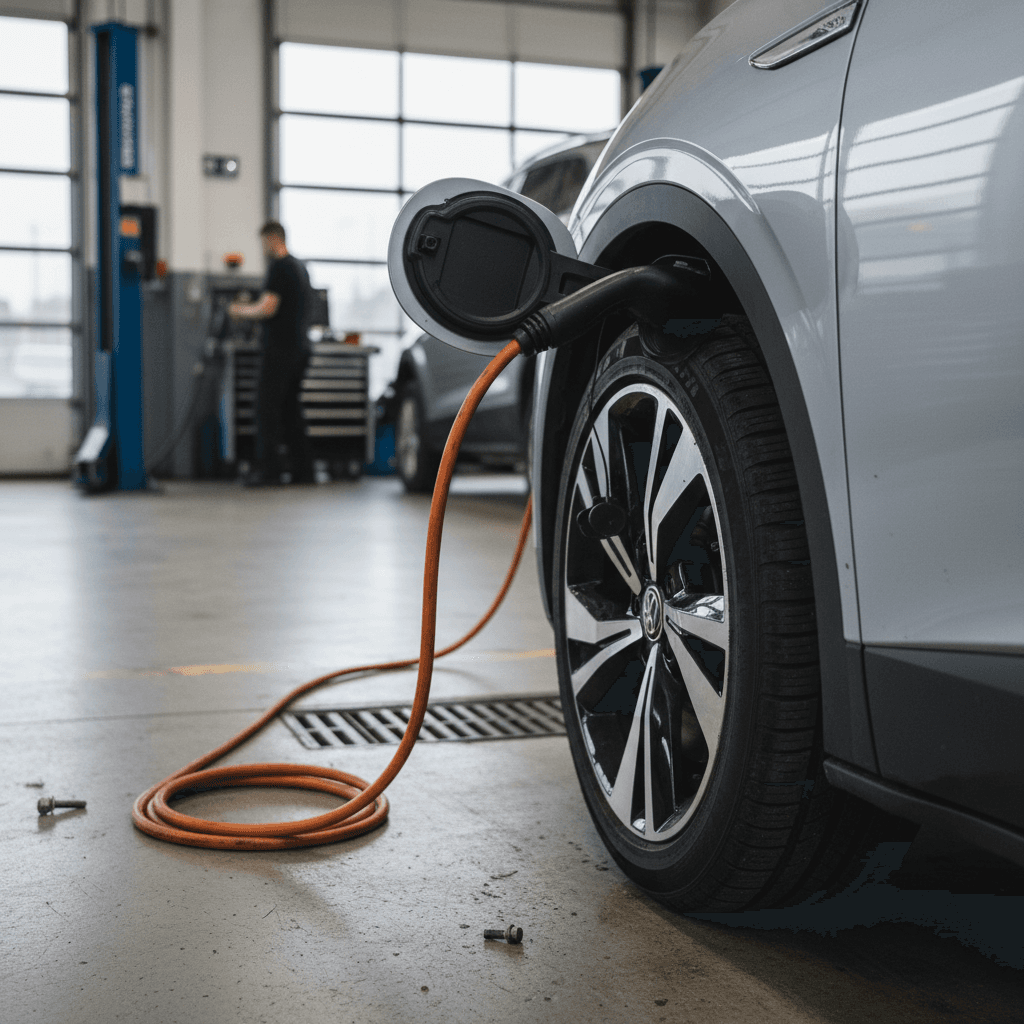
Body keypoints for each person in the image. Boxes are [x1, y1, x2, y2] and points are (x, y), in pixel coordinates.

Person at [228, 221, 314, 486]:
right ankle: (304, 472)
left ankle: (270, 471)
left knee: (266, 409)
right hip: (300, 348)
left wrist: (238, 310)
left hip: (281, 349)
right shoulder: (300, 267)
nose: (263, 248)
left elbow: (268, 308)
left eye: (264, 242)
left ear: (272, 239)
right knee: (290, 410)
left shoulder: (279, 267)